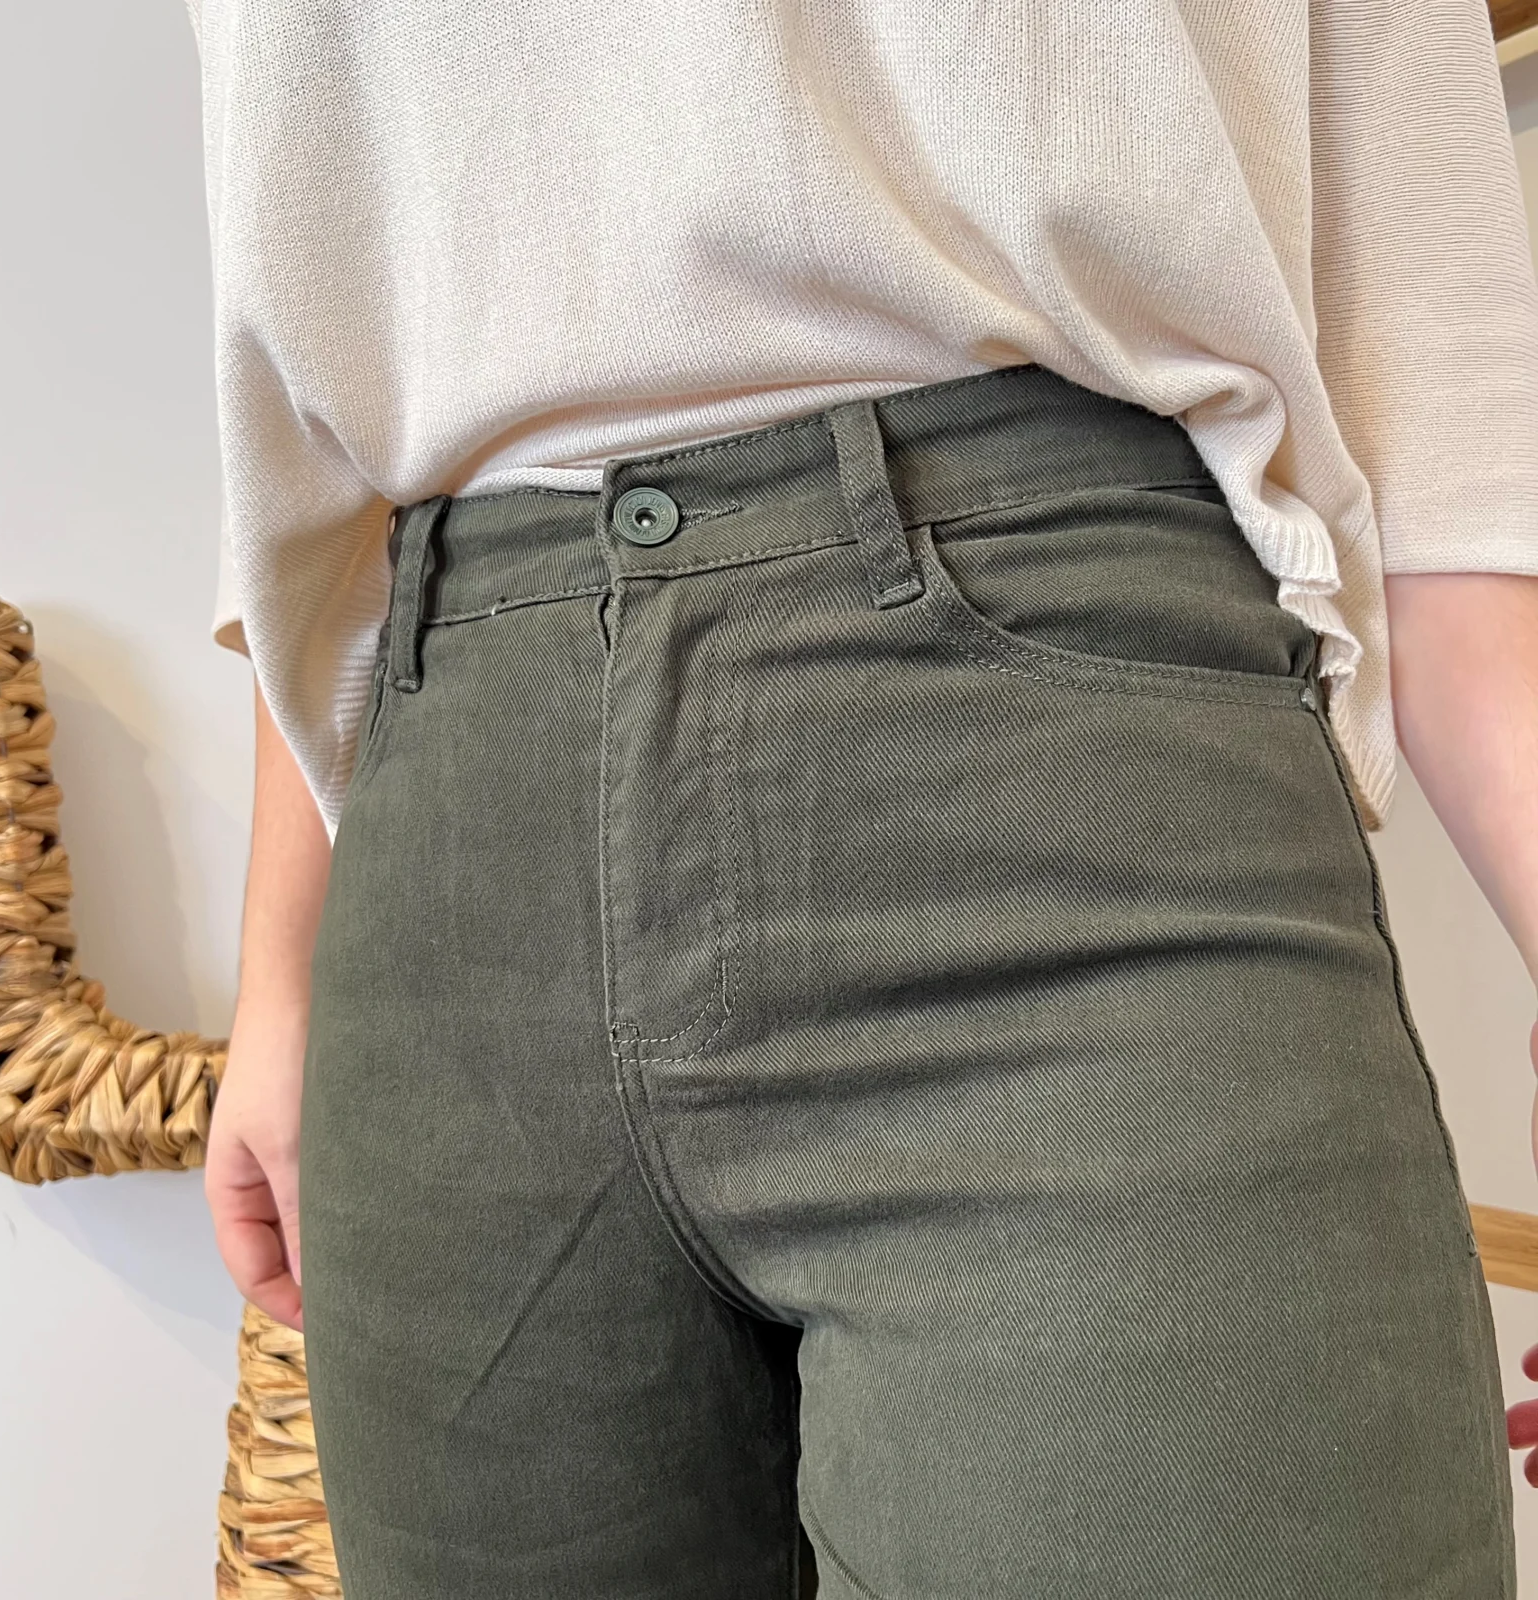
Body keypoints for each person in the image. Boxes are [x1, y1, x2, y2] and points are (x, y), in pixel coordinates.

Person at [187, 1, 1538, 1595]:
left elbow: (1430, 363)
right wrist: (279, 981)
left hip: (1068, 798)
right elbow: (318, 385)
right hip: (451, 848)